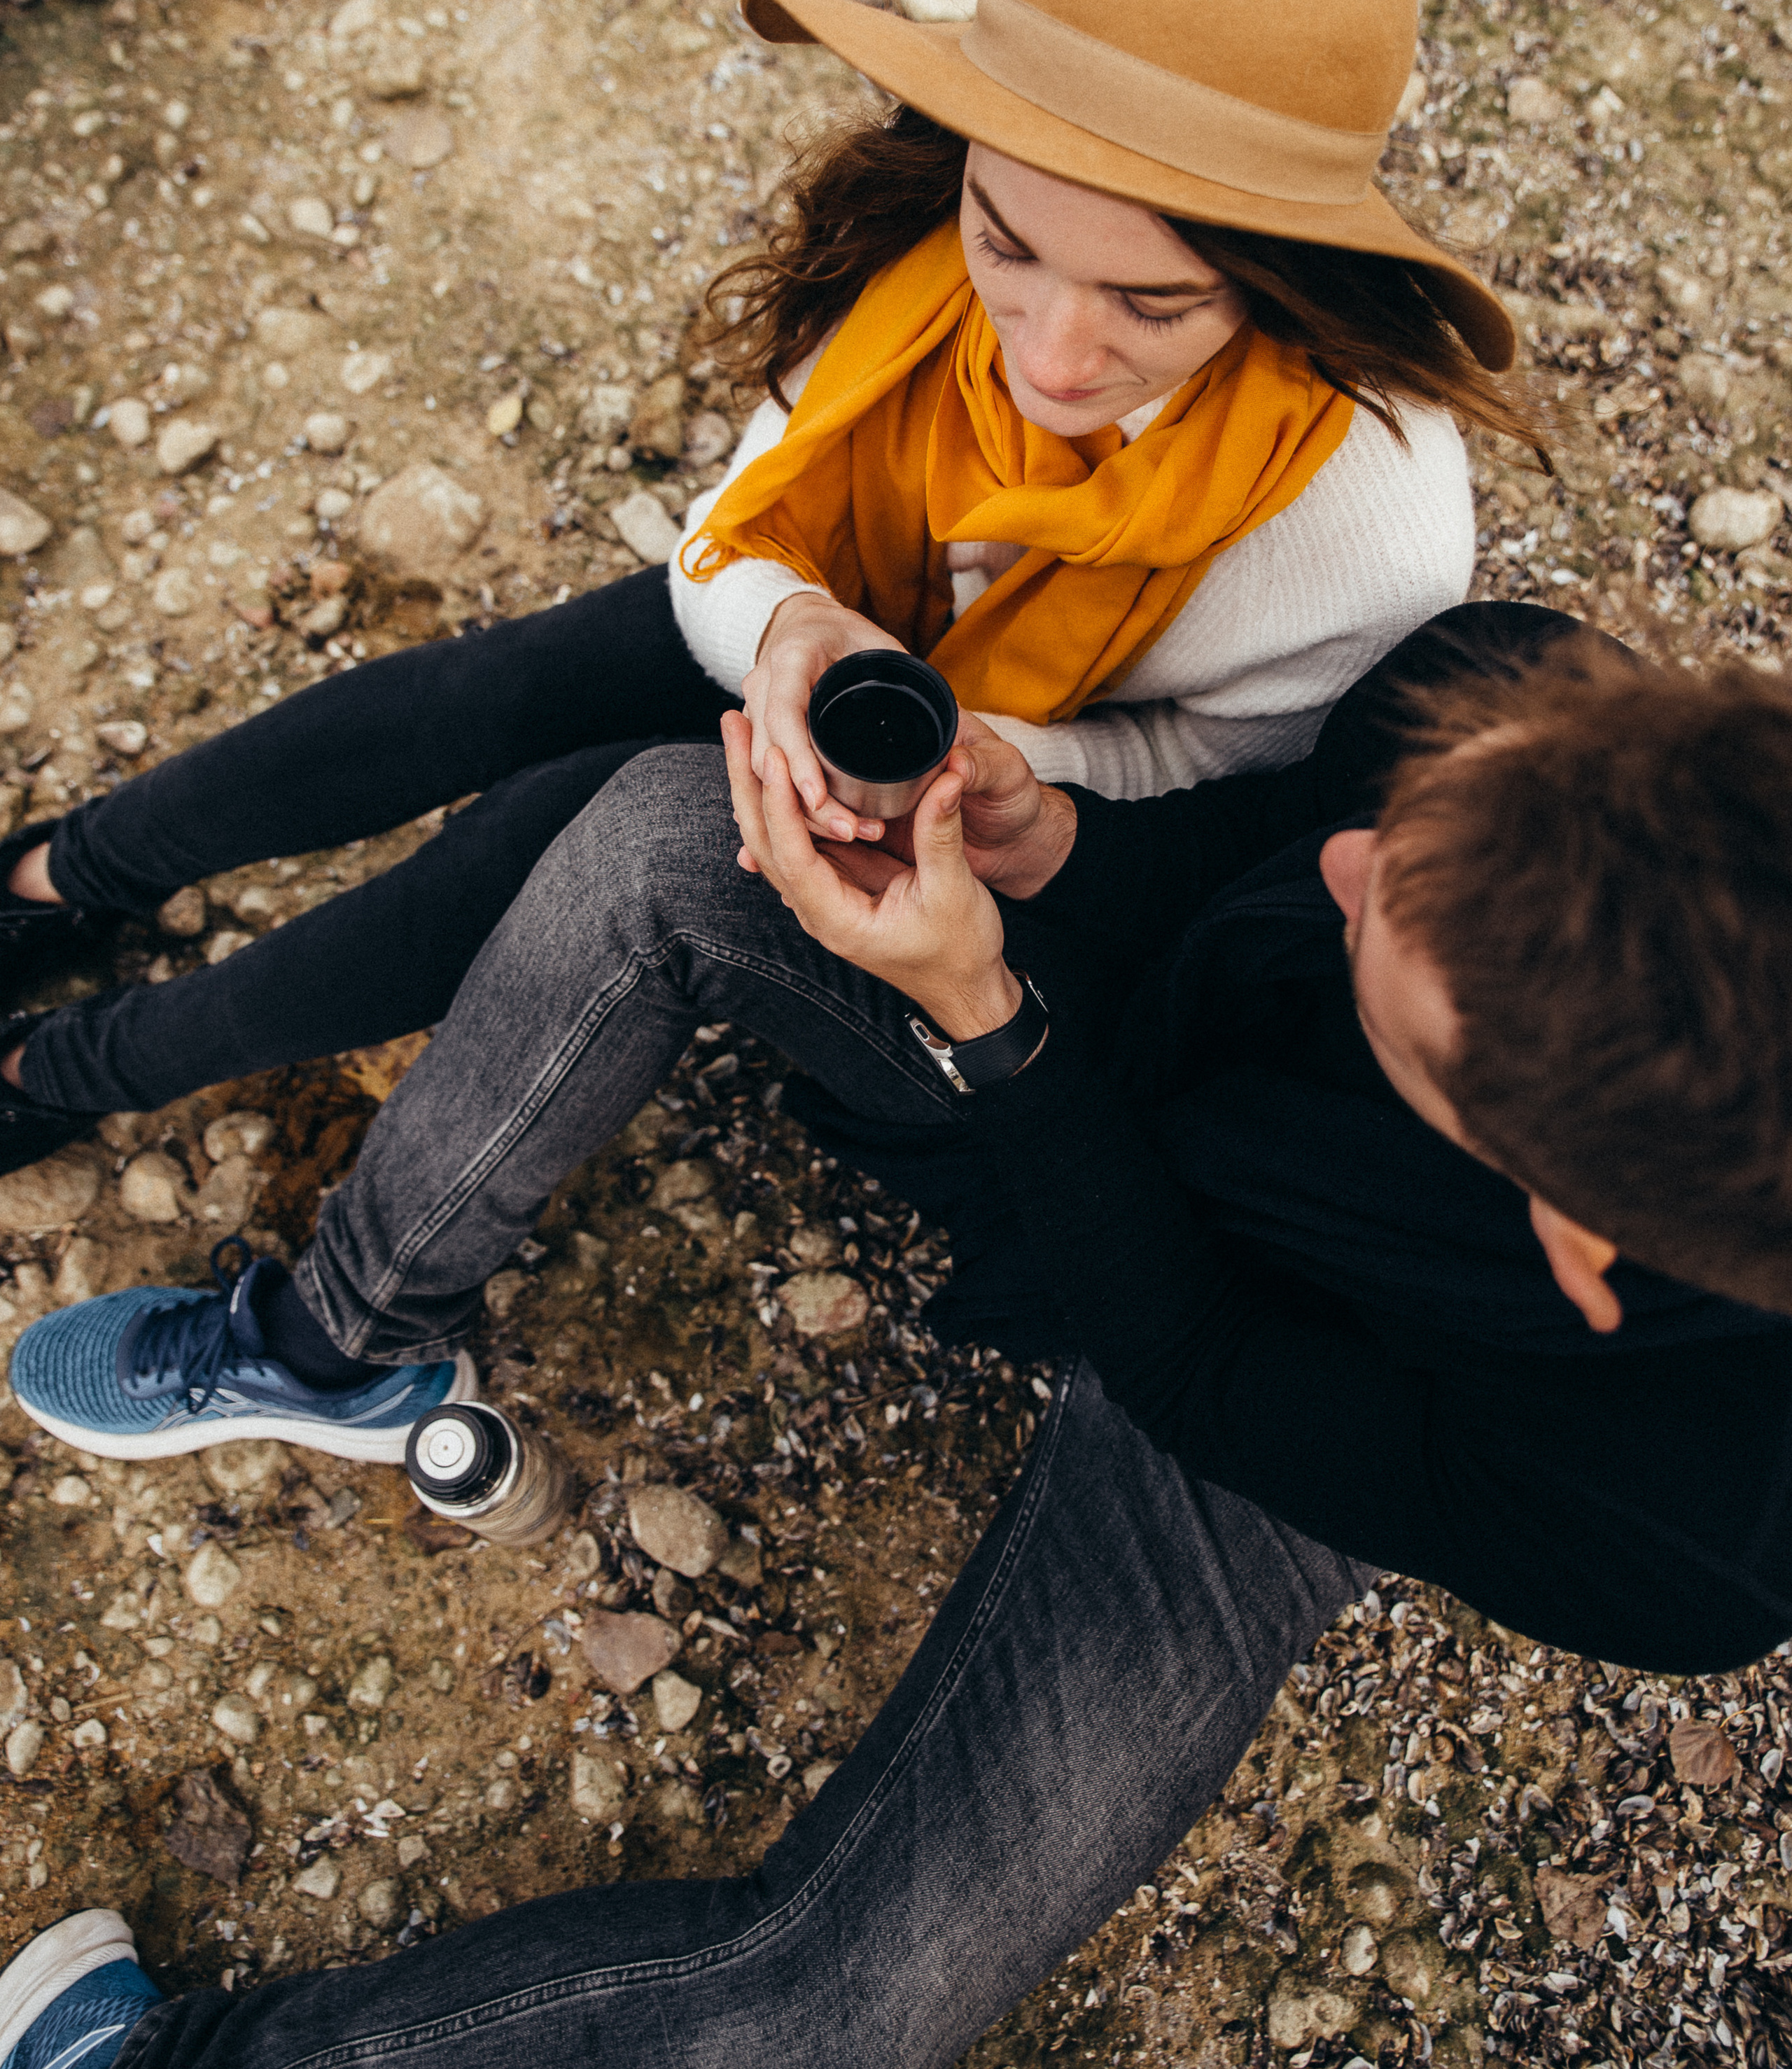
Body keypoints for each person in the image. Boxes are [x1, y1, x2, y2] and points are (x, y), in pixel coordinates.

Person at [8, 604, 1792, 2069]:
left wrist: (988, 1019)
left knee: (837, 2006)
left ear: (1575, 1234)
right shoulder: (1496, 706)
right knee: (657, 834)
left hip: (1291, 1428)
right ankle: (343, 1332)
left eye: (1375, 944)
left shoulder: (1687, 1536)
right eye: (1401, 836)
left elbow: (1200, 1371)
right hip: (1109, 1063)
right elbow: (1251, 853)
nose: (1338, 861)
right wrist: (1061, 847)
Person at [0, 0, 1535, 1173]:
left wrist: (1002, 760)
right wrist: (793, 621)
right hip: (829, 626)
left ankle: (69, 1071)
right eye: (1009, 242)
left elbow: (1224, 780)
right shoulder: (912, 253)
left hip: (1007, 824)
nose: (1050, 357)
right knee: (506, 684)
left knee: (542, 828)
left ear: (1288, 277)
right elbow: (731, 536)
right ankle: (64, 870)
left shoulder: (1369, 519)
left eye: (1156, 304)